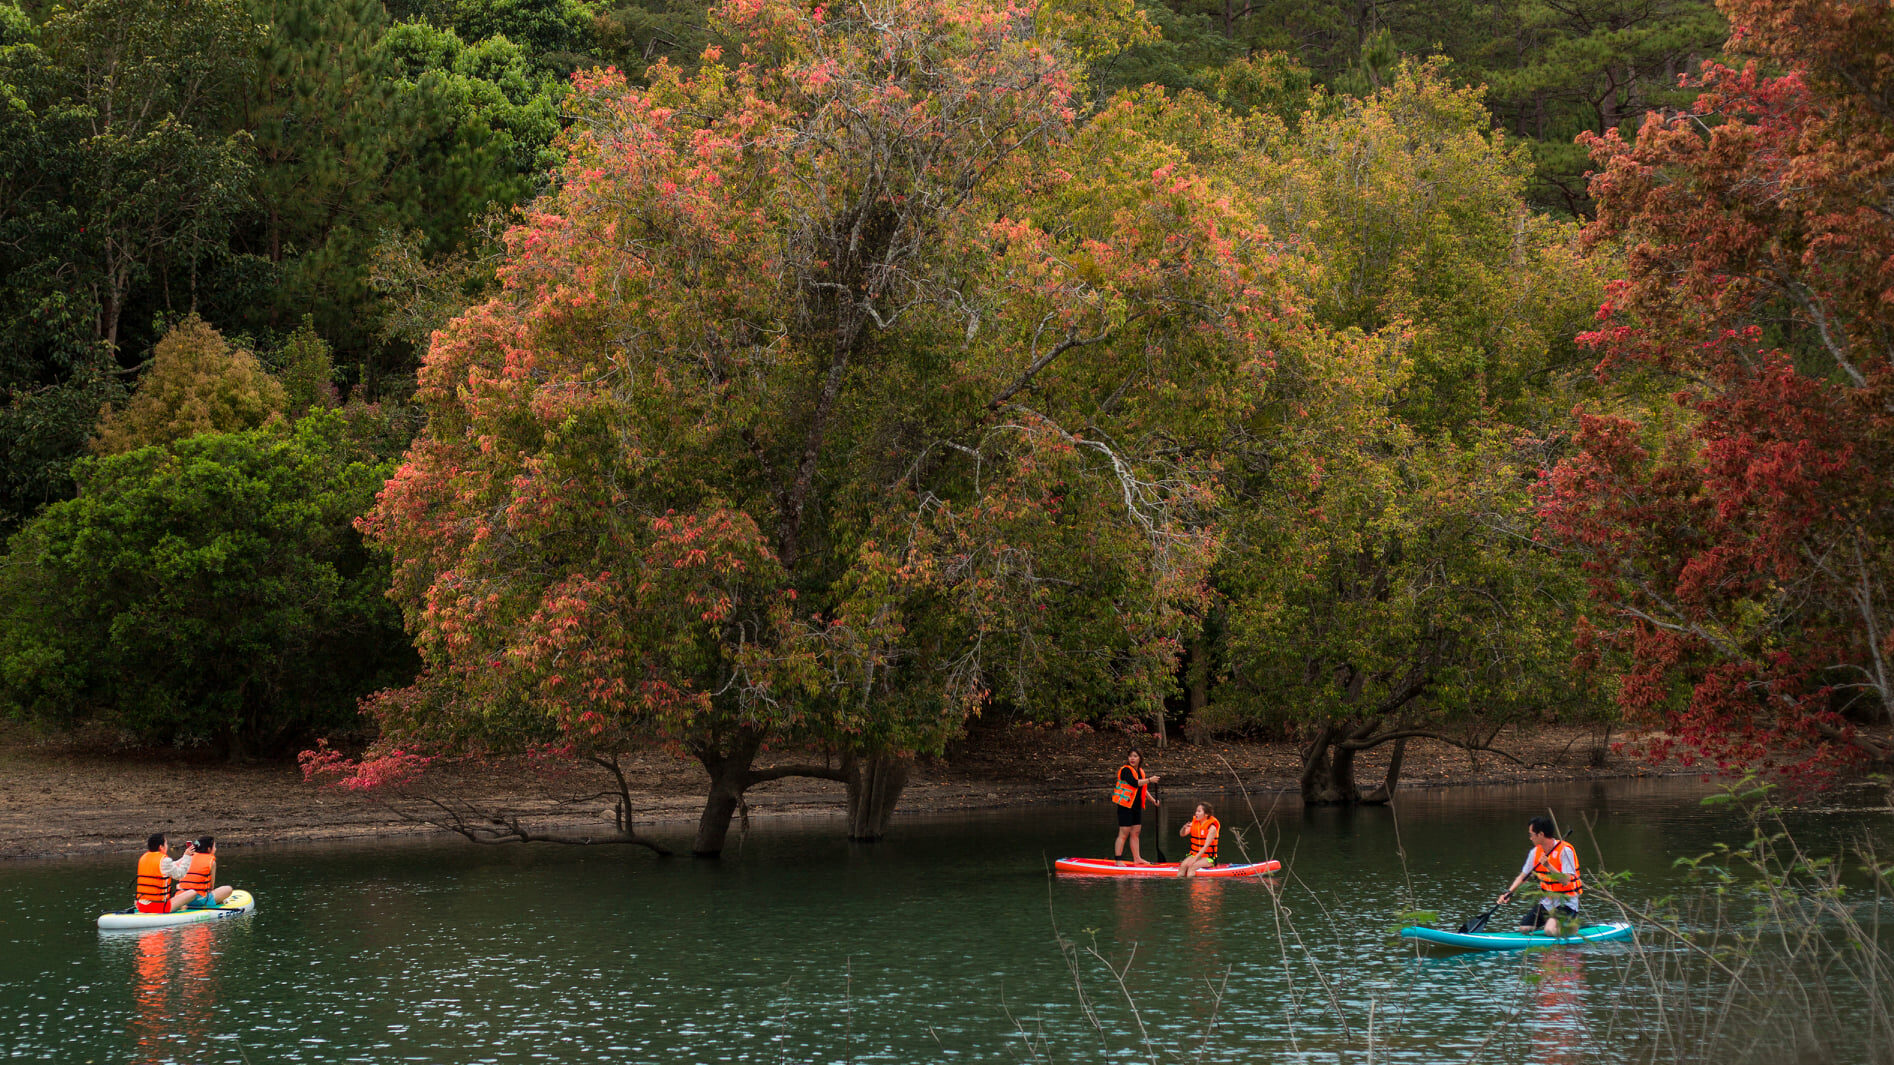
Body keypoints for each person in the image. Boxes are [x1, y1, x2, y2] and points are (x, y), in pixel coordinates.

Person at [1497, 816, 1583, 935]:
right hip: (1548, 901)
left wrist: (1548, 866)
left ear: (1541, 834)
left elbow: (1566, 881)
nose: (1530, 838)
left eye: (1531, 834)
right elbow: (1523, 876)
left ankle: (1571, 927)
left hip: (1566, 902)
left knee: (1549, 930)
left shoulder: (1565, 850)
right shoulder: (1535, 852)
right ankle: (1554, 922)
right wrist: (1509, 893)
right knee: (1525, 928)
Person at [1111, 748, 1161, 864]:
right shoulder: (1125, 770)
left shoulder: (1140, 771)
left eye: (1135, 756)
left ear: (1140, 758)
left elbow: (1143, 788)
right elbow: (1134, 783)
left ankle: (1137, 858)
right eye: (1130, 756)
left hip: (1136, 807)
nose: (1132, 759)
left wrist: (1153, 800)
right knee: (1124, 833)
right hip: (1125, 806)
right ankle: (1118, 860)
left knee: (1136, 832)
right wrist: (1149, 780)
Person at [134, 833, 197, 914]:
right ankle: (180, 907)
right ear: (161, 847)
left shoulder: (143, 858)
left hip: (141, 906)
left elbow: (170, 867)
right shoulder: (164, 860)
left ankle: (180, 906)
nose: (167, 846)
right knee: (192, 893)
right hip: (159, 907)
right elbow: (180, 875)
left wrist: (186, 856)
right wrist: (187, 857)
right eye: (166, 843)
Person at [171, 836, 234, 910]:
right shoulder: (211, 862)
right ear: (209, 849)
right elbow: (211, 887)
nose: (216, 849)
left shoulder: (186, 857)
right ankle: (206, 903)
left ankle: (183, 905)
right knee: (228, 889)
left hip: (181, 897)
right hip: (199, 899)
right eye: (214, 847)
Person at [1177, 802, 1219, 878]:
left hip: (1209, 857)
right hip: (1195, 854)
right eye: (1196, 811)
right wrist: (1184, 827)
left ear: (1206, 814)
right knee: (1183, 866)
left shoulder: (1212, 828)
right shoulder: (1194, 823)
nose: (1196, 813)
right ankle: (1181, 886)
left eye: (1199, 811)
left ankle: (1195, 888)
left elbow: (1206, 846)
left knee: (1192, 867)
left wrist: (1194, 860)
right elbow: (1182, 834)